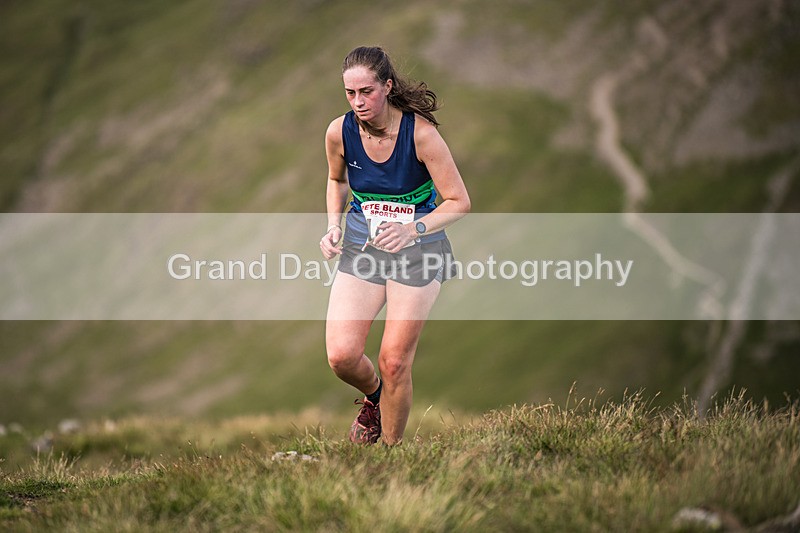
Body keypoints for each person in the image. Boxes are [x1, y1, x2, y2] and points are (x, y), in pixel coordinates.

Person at [319, 46, 470, 445]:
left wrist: (412, 230)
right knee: (342, 356)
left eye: (366, 91)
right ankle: (375, 399)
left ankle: (391, 454)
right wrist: (333, 226)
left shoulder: (421, 135)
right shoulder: (340, 131)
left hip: (418, 255)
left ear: (387, 86)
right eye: (350, 93)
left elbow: (459, 201)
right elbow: (337, 181)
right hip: (361, 250)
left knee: (394, 361)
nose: (358, 102)